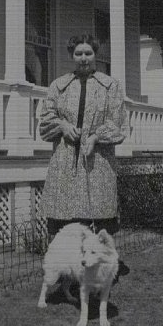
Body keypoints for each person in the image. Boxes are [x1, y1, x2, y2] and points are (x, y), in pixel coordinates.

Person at [39, 33, 128, 237]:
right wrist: (61, 125)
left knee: (98, 229)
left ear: (95, 54)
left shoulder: (110, 86)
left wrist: (96, 136)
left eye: (88, 52)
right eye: (78, 53)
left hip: (97, 163)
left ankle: (98, 268)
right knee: (65, 229)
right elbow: (44, 123)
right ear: (72, 55)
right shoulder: (59, 86)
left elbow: (120, 125)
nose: (84, 58)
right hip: (65, 164)